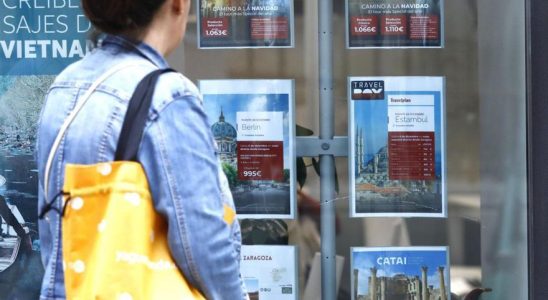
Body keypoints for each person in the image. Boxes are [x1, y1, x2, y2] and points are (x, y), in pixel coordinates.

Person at [35, 0, 246, 299]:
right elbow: (203, 244)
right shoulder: (169, 97)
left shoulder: (64, 87)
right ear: (177, 5)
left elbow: (55, 233)